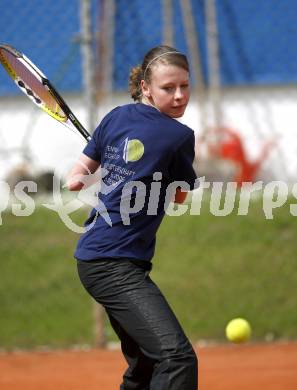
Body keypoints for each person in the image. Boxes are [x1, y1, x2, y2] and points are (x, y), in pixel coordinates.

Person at [67, 45, 198, 389]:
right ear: (146, 87)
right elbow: (180, 196)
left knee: (146, 366)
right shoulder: (179, 136)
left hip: (102, 258)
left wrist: (97, 176)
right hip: (112, 261)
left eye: (184, 86)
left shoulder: (116, 117)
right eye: (168, 88)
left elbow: (76, 177)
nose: (179, 95)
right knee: (176, 357)